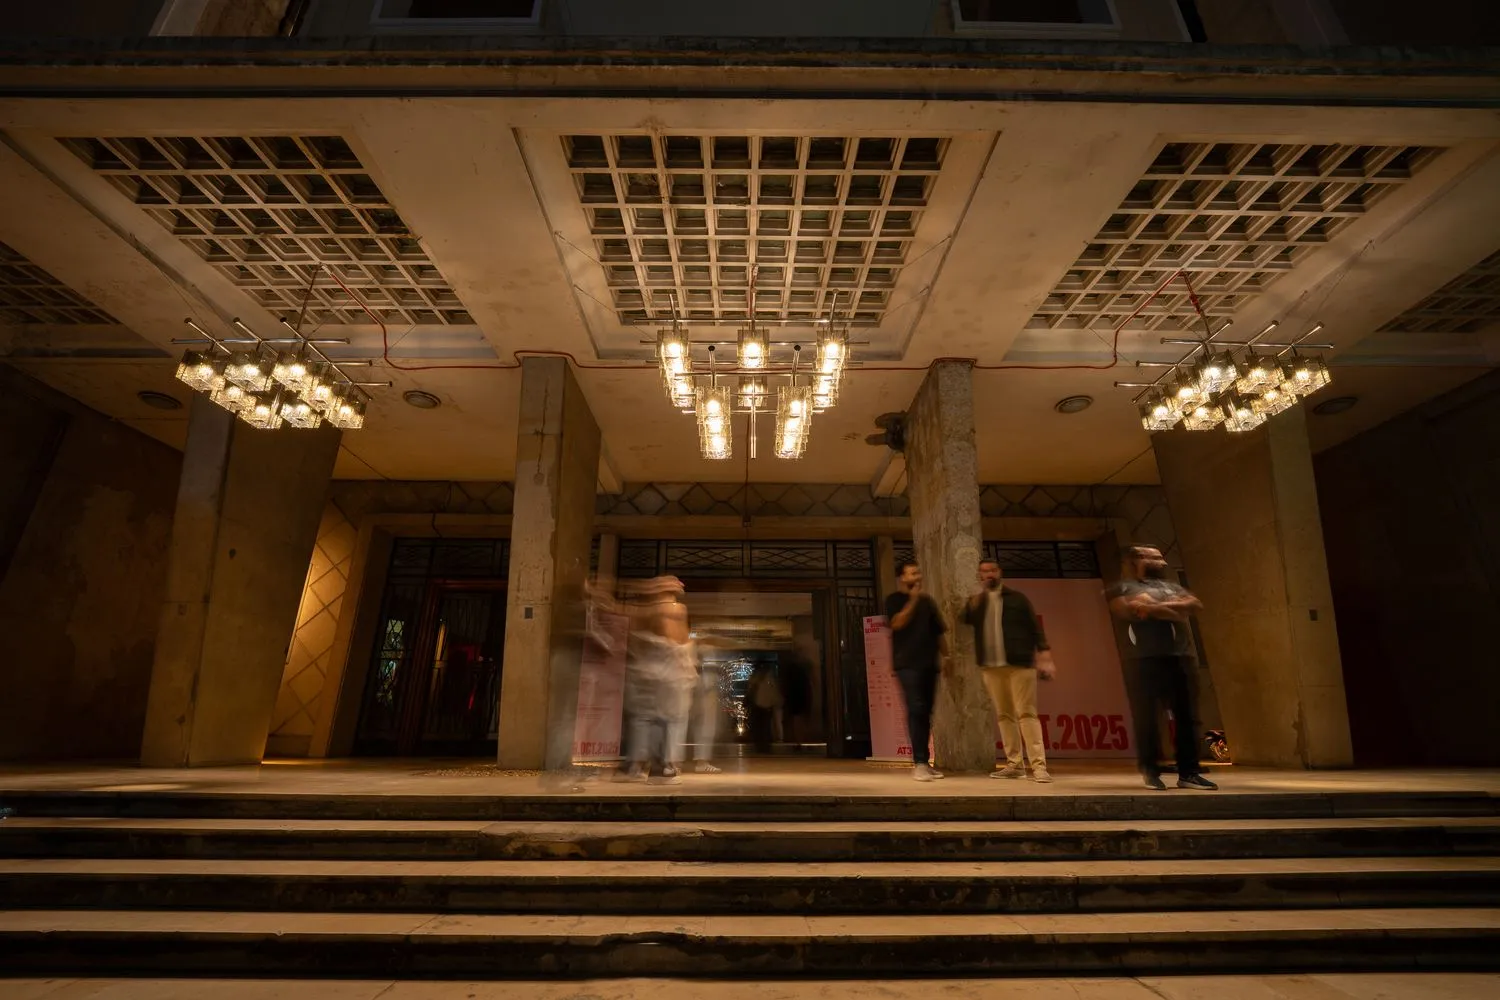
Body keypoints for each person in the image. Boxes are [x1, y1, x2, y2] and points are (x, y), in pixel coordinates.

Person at [1107, 545, 1218, 791]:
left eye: (1161, 557)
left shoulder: (1171, 586)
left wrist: (1153, 607)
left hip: (1180, 656)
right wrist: (1172, 608)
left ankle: (1189, 772)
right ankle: (1151, 771)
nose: (1162, 562)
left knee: (1187, 716)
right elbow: (1128, 609)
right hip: (1142, 659)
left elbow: (1194, 605)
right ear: (1136, 560)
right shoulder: (1123, 587)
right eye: (1154, 558)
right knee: (1146, 717)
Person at [964, 558, 1056, 783]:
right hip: (991, 666)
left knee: (1026, 713)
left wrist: (1044, 654)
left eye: (993, 570)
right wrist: (974, 601)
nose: (989, 574)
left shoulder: (1017, 598)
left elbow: (1035, 627)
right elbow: (965, 619)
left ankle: (1039, 766)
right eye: (985, 571)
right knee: (1004, 715)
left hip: (1019, 664)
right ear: (980, 576)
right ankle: (1015, 764)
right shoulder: (978, 602)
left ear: (1000, 572)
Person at [885, 559, 952, 782]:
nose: (917, 577)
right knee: (916, 708)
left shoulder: (928, 602)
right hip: (907, 664)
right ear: (902, 577)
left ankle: (925, 762)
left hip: (929, 664)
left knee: (926, 712)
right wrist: (913, 599)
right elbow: (897, 623)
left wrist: (947, 657)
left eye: (918, 573)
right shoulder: (894, 600)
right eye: (912, 573)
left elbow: (939, 632)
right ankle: (919, 763)